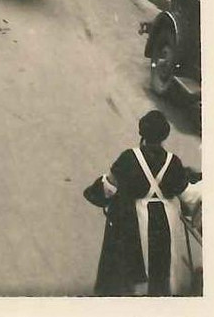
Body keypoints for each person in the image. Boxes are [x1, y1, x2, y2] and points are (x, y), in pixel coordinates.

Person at [85, 110, 202, 296]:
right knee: (163, 266)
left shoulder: (129, 158)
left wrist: (97, 192)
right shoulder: (173, 162)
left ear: (142, 133)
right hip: (166, 223)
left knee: (133, 268)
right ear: (164, 135)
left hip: (135, 221)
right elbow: (187, 194)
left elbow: (109, 186)